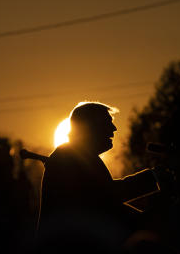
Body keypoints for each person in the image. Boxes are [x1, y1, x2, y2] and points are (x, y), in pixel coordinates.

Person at [37, 101, 166, 249]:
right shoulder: (70, 158)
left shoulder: (75, 156)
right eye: (107, 123)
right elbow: (108, 196)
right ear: (90, 127)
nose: (114, 128)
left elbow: (106, 202)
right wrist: (154, 178)